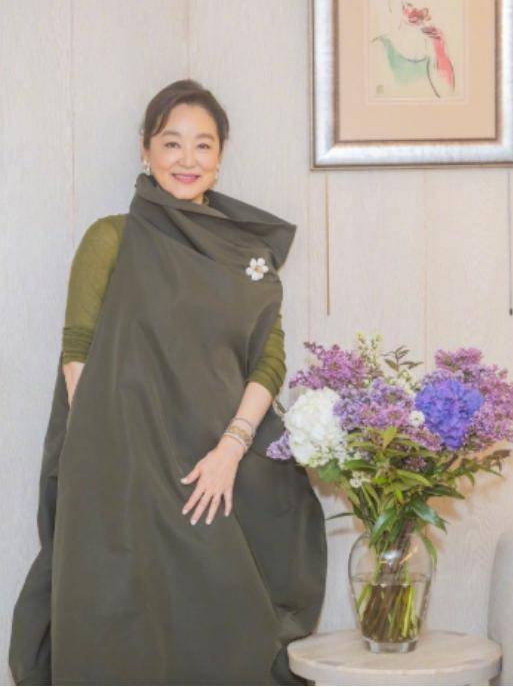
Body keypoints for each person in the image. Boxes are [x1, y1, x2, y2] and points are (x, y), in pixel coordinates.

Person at [9, 79, 327, 685]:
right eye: (171, 143)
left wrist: (231, 450)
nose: (187, 159)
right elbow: (78, 357)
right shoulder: (112, 238)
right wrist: (115, 467)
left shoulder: (245, 254)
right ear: (145, 150)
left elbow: (267, 361)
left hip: (214, 467)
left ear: (220, 155)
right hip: (125, 468)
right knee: (121, 632)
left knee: (223, 631)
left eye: (203, 145)